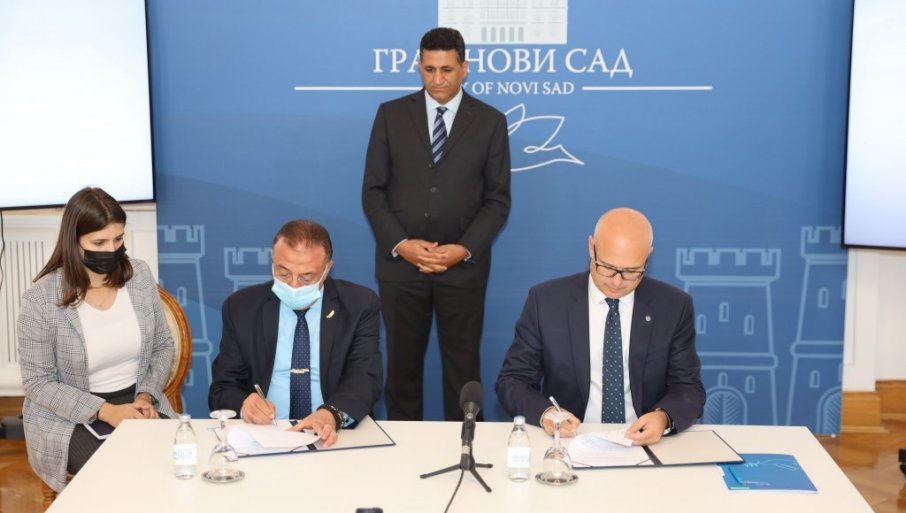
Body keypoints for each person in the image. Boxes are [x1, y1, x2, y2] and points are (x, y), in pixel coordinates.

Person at [362, 27, 511, 421]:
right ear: (419, 66)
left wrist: (463, 249)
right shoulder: (391, 115)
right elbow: (373, 192)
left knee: (463, 373)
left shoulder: (491, 122)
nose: (438, 79)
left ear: (465, 68)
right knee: (401, 373)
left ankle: (466, 447)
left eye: (446, 69)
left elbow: (497, 200)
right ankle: (404, 452)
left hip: (462, 270)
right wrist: (402, 245)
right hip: (400, 268)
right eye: (429, 69)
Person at [496, 208, 705, 445]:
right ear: (591, 247)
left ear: (648, 256)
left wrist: (663, 418)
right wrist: (547, 414)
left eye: (631, 271)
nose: (616, 281)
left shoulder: (673, 306)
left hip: (643, 443)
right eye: (607, 267)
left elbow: (688, 388)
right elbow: (513, 381)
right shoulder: (546, 301)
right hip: (569, 440)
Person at [17, 187, 176, 492]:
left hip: (137, 399)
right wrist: (106, 411)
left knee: (174, 464)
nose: (111, 250)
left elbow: (162, 346)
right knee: (118, 476)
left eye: (118, 239)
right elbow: (38, 383)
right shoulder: (40, 299)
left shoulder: (139, 276)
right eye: (99, 243)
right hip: (70, 416)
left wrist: (145, 396)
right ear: (74, 242)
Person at [209, 220, 382, 446]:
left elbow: (364, 379)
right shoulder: (241, 307)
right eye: (283, 272)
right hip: (265, 434)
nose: (293, 285)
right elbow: (223, 386)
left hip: (333, 433)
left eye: (306, 277)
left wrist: (331, 413)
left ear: (327, 269)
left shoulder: (359, 305)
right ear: (273, 261)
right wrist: (245, 405)